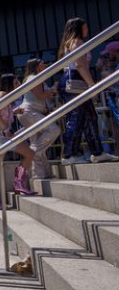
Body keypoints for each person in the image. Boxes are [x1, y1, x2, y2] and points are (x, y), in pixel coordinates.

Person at [58, 17, 118, 164]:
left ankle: (97, 152)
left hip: (74, 80)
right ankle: (68, 154)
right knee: (77, 118)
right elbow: (80, 64)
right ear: (78, 28)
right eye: (84, 27)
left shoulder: (69, 43)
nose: (87, 30)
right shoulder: (77, 42)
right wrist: (92, 84)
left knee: (90, 117)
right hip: (75, 80)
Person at [0, 74, 38, 209]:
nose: (18, 84)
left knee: (29, 153)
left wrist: (13, 111)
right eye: (16, 82)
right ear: (9, 83)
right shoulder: (2, 94)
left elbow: (3, 112)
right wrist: (4, 128)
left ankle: (19, 184)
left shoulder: (7, 97)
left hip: (4, 134)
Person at [18, 58, 61, 179]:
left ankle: (40, 174)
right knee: (53, 130)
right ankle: (33, 151)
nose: (46, 64)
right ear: (37, 67)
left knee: (38, 142)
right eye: (43, 63)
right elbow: (40, 95)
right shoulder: (34, 78)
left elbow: (44, 97)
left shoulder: (38, 79)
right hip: (29, 112)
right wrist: (53, 90)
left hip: (29, 112)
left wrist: (52, 90)